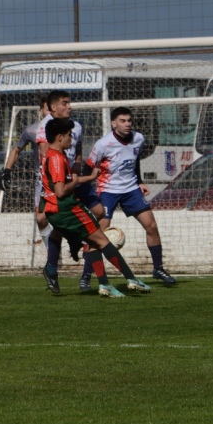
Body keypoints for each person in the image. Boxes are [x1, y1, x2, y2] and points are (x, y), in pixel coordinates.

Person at [40, 117, 151, 298]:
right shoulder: (57, 159)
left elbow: (59, 185)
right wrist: (75, 181)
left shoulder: (52, 156)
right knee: (102, 241)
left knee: (93, 243)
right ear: (59, 137)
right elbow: (60, 191)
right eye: (69, 135)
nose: (71, 139)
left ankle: (104, 284)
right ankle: (131, 279)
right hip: (67, 208)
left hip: (58, 210)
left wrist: (87, 178)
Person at [79, 106, 176, 290]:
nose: (127, 124)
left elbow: (134, 160)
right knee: (97, 235)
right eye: (123, 121)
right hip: (107, 190)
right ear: (114, 123)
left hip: (131, 189)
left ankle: (158, 268)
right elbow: (88, 168)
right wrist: (86, 194)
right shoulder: (103, 144)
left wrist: (139, 181)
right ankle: (86, 276)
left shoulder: (138, 139)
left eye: (129, 120)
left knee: (152, 226)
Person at [36, 90, 106, 264]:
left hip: (73, 177)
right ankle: (53, 261)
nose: (69, 106)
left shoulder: (76, 125)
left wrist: (77, 166)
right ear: (53, 107)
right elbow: (47, 154)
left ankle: (77, 238)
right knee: (45, 219)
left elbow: (79, 146)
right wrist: (67, 173)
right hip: (58, 181)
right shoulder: (46, 125)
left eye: (69, 103)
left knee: (99, 211)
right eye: (65, 103)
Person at [0, 95, 51, 248]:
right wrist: (6, 171)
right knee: (41, 219)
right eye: (47, 109)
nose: (51, 112)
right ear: (41, 111)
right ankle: (52, 253)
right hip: (42, 179)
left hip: (63, 179)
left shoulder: (68, 129)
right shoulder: (32, 130)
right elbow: (16, 150)